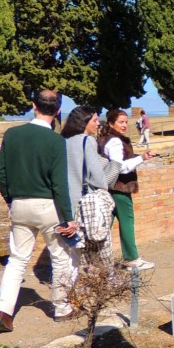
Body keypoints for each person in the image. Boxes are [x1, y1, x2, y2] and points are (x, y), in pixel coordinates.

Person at [0, 89, 80, 331]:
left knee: (17, 259)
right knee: (60, 257)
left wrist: (11, 199)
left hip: (19, 204)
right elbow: (60, 183)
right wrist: (69, 218)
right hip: (48, 205)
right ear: (59, 110)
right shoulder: (55, 141)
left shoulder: (12, 134)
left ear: (33, 106)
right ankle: (62, 308)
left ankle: (3, 309)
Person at [99, 108, 156, 270]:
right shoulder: (116, 141)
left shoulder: (105, 139)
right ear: (111, 123)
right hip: (120, 188)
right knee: (127, 222)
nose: (124, 125)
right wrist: (141, 158)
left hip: (107, 188)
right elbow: (120, 168)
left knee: (103, 225)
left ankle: (97, 258)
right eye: (120, 122)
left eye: (126, 122)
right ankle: (131, 258)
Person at [62, 106, 117, 269]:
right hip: (88, 201)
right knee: (98, 245)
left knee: (74, 251)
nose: (98, 124)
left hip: (69, 202)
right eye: (94, 120)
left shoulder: (64, 141)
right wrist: (104, 187)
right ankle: (101, 282)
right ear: (84, 122)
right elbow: (96, 173)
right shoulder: (88, 140)